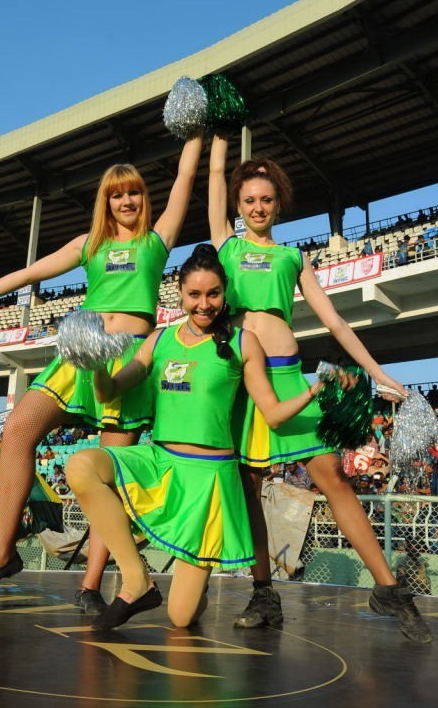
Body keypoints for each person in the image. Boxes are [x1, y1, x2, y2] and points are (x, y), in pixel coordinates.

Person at [0, 134, 205, 612]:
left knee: (109, 476)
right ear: (105, 202)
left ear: (146, 198)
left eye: (134, 192)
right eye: (116, 194)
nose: (126, 200)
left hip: (127, 360)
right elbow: (30, 273)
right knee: (18, 428)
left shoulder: (157, 240)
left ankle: (90, 585)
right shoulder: (90, 244)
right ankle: (1, 555)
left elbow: (186, 175)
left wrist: (196, 129)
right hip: (78, 355)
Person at [208, 134, 432, 643]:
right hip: (240, 382)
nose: (258, 207)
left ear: (278, 203)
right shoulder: (226, 244)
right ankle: (264, 594)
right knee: (248, 490)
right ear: (236, 205)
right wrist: (218, 136)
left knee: (333, 476)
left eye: (266, 199)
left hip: (288, 374)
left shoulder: (293, 256)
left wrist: (375, 371)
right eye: (249, 200)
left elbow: (335, 322)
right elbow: (215, 181)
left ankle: (388, 588)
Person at [65, 244, 342, 630]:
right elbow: (108, 392)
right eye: (194, 294)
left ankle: (193, 585)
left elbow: (274, 416)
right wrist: (94, 363)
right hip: (160, 464)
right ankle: (136, 580)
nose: (204, 303)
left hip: (209, 483)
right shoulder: (159, 341)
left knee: (180, 619)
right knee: (80, 465)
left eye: (213, 293)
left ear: (224, 293)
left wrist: (315, 389)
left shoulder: (244, 342)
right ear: (179, 291)